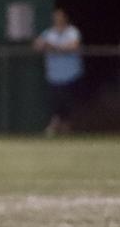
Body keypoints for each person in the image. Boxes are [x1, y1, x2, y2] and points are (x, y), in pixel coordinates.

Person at [33, 7, 83, 136]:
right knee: (55, 101)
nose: (58, 19)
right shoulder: (49, 33)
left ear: (65, 18)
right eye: (56, 17)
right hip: (54, 75)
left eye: (60, 17)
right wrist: (43, 44)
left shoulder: (72, 32)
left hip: (70, 74)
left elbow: (74, 45)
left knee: (67, 102)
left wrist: (54, 47)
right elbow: (37, 46)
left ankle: (64, 127)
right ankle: (55, 125)